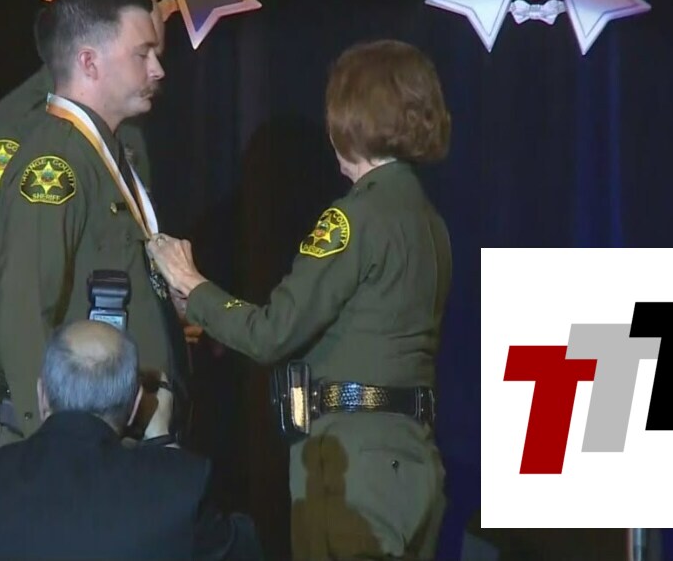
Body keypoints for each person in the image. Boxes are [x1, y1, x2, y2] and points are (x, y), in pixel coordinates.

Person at [146, 39, 453, 560]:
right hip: (413, 461)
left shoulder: (354, 218)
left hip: (354, 470)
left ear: (350, 117)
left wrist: (192, 285)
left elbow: (271, 334)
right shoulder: (428, 220)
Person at [0, 0, 195, 445]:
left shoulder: (105, 147)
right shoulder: (55, 162)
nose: (158, 70)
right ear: (89, 60)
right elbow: (22, 314)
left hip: (114, 431)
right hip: (80, 441)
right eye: (143, 53)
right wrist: (51, 447)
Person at [0, 319, 262, 561]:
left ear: (42, 395)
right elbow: (246, 550)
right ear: (135, 407)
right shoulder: (179, 489)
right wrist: (164, 444)